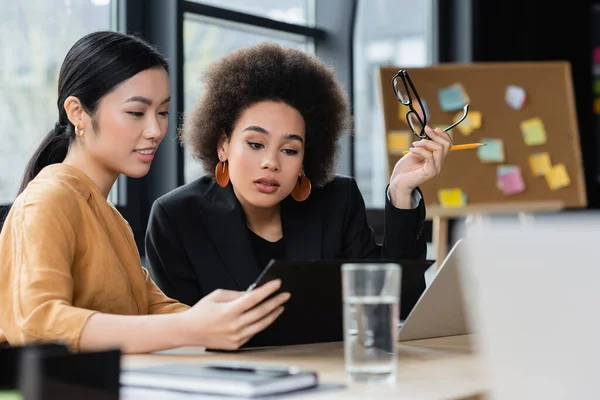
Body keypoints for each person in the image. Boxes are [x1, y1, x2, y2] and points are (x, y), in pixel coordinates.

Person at [0, 31, 290, 354]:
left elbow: (153, 309)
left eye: (163, 112)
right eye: (137, 113)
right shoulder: (48, 198)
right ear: (77, 112)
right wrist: (190, 327)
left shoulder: (112, 220)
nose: (155, 131)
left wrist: (231, 319)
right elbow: (37, 324)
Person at [145, 42, 452, 307]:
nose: (271, 162)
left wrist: (400, 192)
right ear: (223, 144)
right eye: (255, 144)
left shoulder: (337, 202)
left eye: (289, 150)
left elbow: (394, 302)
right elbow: (184, 332)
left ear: (306, 157)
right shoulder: (176, 217)